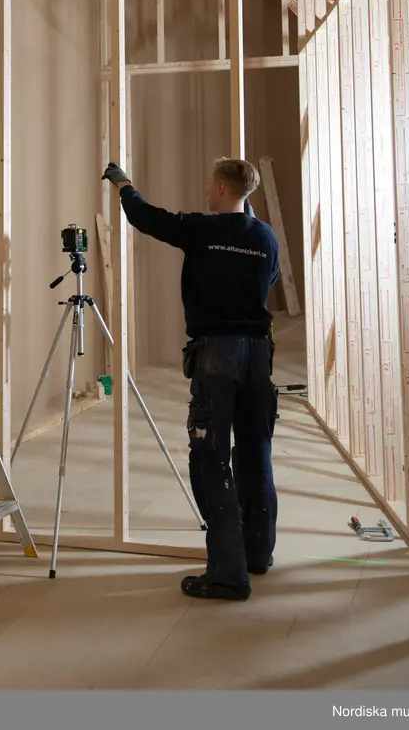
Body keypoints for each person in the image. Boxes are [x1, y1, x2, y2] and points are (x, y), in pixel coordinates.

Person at [103, 156, 280, 602]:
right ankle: (257, 553)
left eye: (210, 182)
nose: (206, 188)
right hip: (259, 354)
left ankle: (227, 574)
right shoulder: (265, 236)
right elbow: (269, 277)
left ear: (222, 188)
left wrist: (123, 185)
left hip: (217, 352)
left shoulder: (204, 229)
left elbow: (148, 219)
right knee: (256, 451)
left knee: (210, 457)